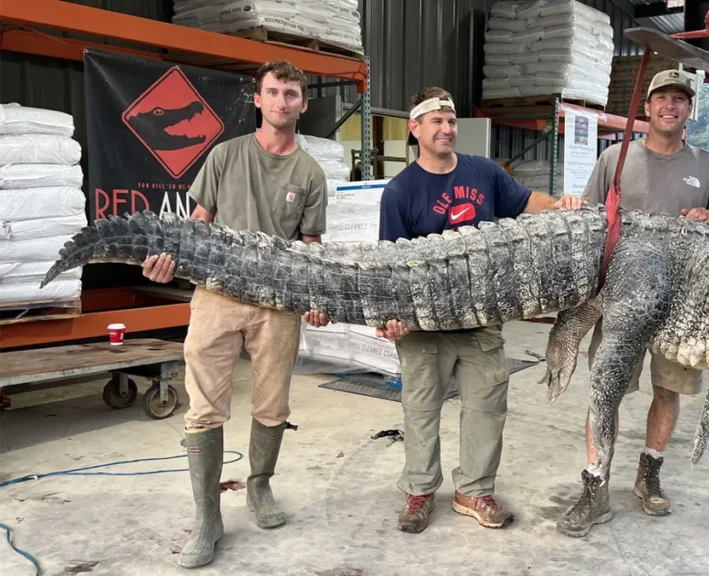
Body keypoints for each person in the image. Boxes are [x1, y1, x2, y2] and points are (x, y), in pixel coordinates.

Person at [140, 60, 330, 569]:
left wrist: (315, 297)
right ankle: (207, 518)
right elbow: (195, 229)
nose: (281, 102)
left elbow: (310, 247)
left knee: (272, 406)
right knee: (204, 408)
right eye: (272, 92)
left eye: (291, 93)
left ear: (302, 103)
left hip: (278, 306)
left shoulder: (309, 173)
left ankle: (260, 487)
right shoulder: (224, 156)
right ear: (258, 99)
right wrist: (168, 266)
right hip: (217, 298)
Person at [376, 86, 584, 534]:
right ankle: (419, 490)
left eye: (451, 121)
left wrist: (561, 205)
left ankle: (474, 491)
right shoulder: (399, 192)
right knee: (420, 409)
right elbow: (389, 265)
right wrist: (389, 317)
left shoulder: (484, 172)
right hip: (423, 327)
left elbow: (528, 202)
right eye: (437, 121)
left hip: (481, 321)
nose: (447, 128)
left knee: (487, 407)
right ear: (415, 128)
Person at [556, 68, 709, 538]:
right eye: (662, 98)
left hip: (683, 305)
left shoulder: (708, 164)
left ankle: (649, 472)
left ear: (688, 109)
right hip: (621, 301)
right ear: (648, 106)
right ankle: (595, 483)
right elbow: (592, 224)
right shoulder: (615, 159)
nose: (670, 106)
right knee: (605, 391)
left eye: (680, 99)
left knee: (668, 390)